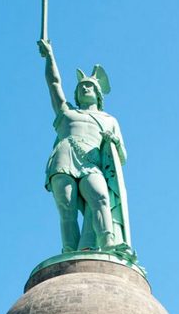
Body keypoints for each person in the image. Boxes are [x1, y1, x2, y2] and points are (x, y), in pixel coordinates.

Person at [37, 38, 130, 254]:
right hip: (64, 157)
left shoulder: (109, 120)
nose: (85, 88)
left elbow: (122, 156)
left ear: (98, 94)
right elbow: (54, 84)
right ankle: (69, 250)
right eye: (81, 86)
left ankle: (108, 242)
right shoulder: (66, 113)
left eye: (89, 86)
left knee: (100, 196)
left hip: (91, 162)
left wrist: (114, 141)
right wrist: (49, 56)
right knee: (66, 207)